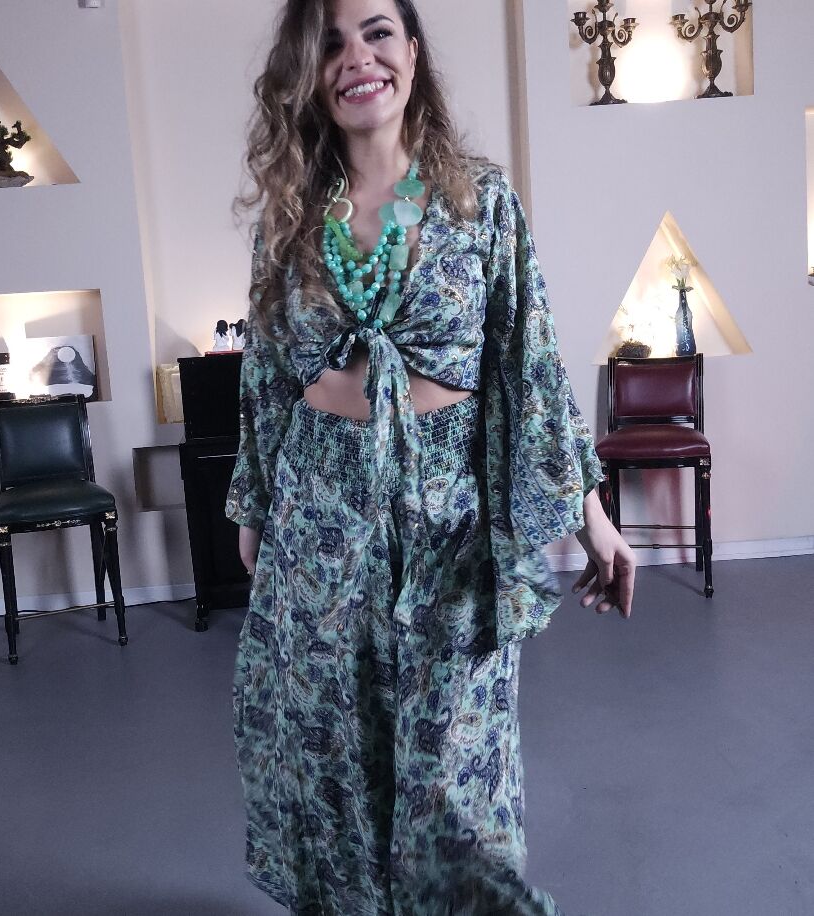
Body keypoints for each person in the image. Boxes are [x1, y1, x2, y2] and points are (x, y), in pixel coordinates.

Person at [224, 1, 636, 913]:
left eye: (377, 32)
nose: (356, 58)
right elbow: (265, 376)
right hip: (320, 519)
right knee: (336, 760)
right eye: (330, 44)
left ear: (412, 50)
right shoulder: (289, 218)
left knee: (456, 786)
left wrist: (593, 517)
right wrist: (254, 509)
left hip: (449, 520)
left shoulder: (478, 201)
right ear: (307, 73)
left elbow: (530, 364)